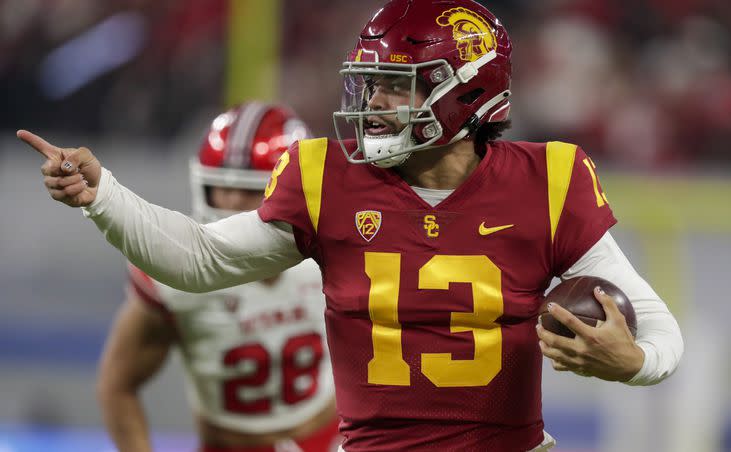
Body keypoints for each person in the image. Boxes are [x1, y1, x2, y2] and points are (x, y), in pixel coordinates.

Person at [19, 1, 684, 451]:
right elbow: (199, 258)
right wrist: (100, 193)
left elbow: (657, 328)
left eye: (398, 84)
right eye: (370, 84)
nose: (374, 104)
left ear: (472, 93)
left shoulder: (551, 178)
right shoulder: (324, 175)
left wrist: (636, 361)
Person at [95, 103, 341, 452]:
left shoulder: (333, 251)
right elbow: (118, 384)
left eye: (250, 190)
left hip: (331, 439)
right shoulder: (174, 276)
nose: (230, 203)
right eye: (219, 188)